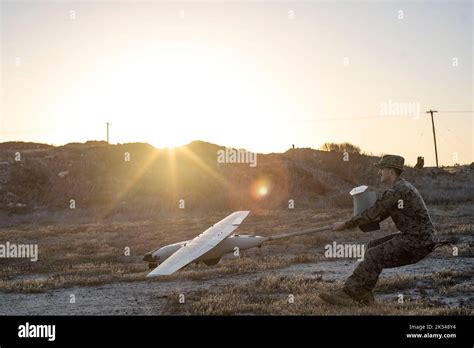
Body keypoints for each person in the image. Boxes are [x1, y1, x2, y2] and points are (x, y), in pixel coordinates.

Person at [319, 154, 436, 306]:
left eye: (381, 168)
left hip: (418, 241)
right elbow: (378, 215)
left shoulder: (397, 190)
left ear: (391, 171)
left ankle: (348, 294)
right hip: (418, 238)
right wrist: (354, 223)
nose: (379, 172)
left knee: (373, 255)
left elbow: (374, 212)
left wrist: (346, 224)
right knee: (372, 247)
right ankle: (364, 294)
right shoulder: (401, 187)